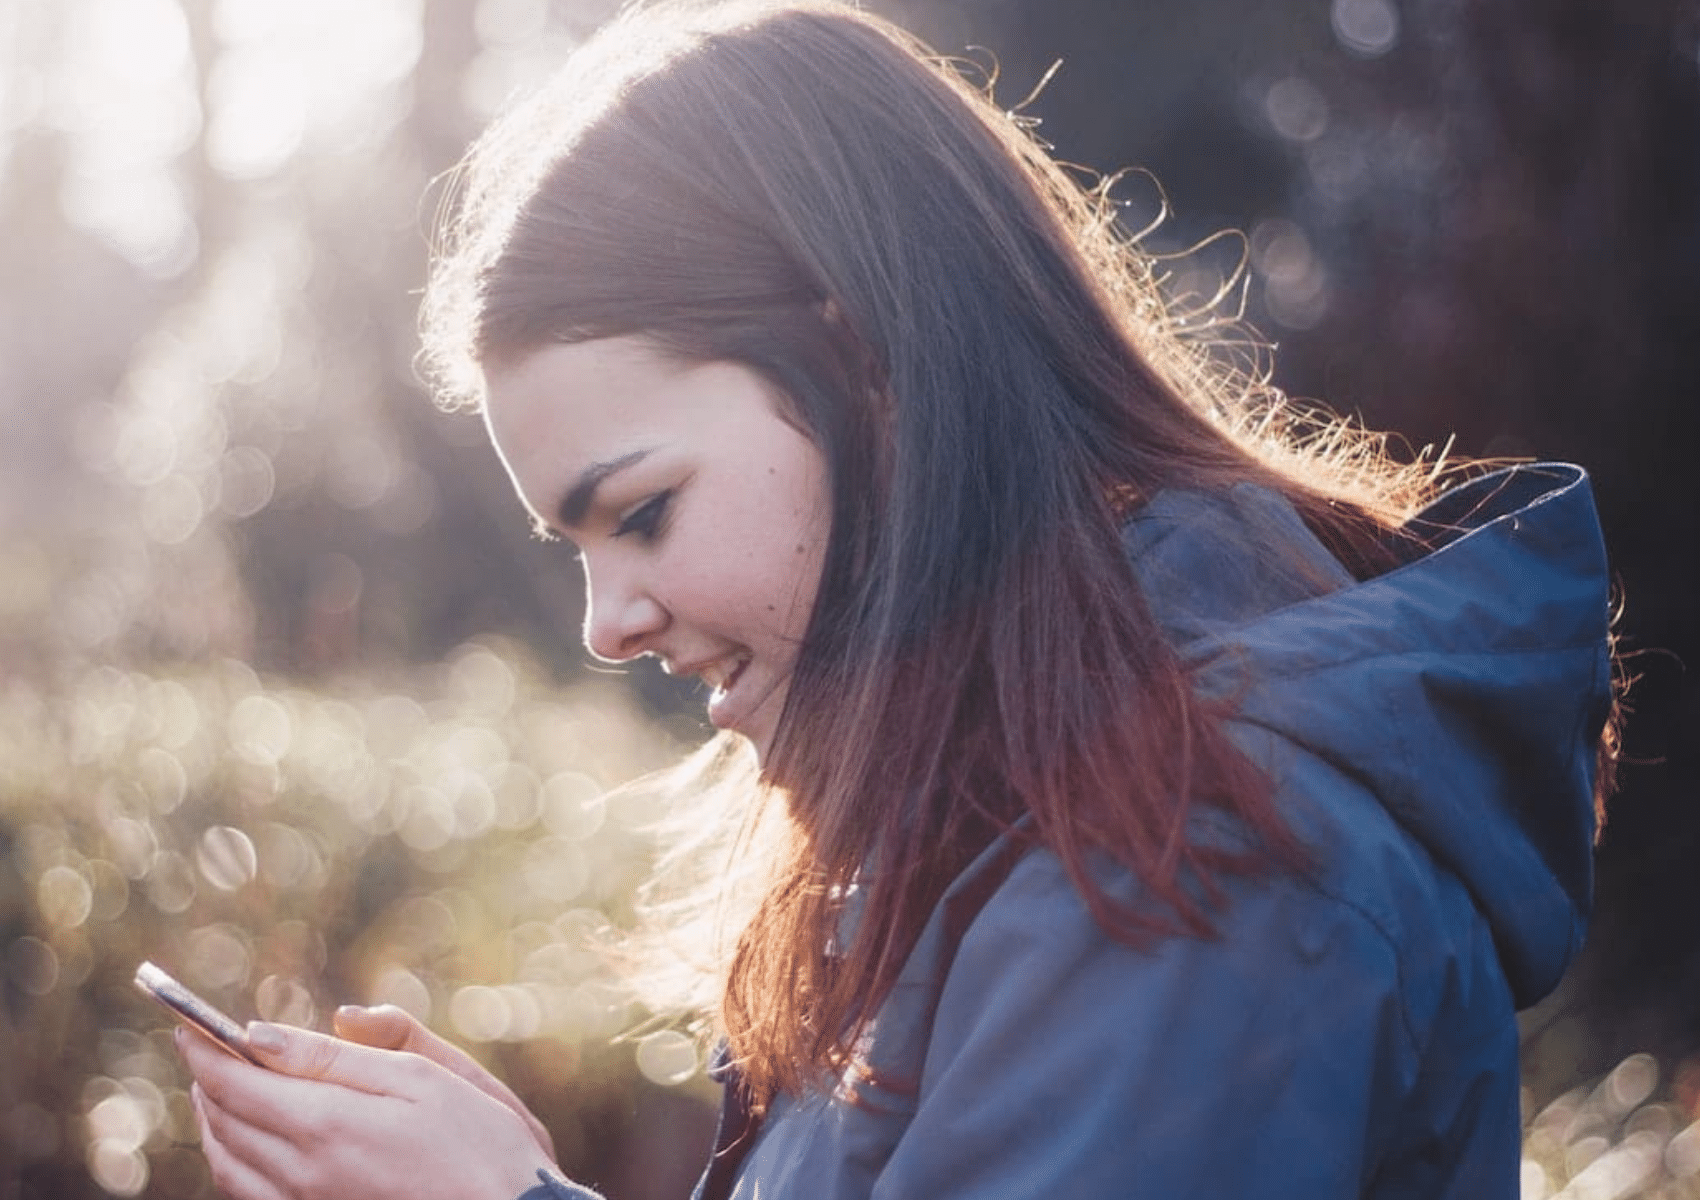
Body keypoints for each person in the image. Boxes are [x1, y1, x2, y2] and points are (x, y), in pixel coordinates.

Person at [176, 1, 1620, 1197]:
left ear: (868, 370)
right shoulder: (1012, 816)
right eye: (578, 548)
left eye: (642, 513)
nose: (606, 621)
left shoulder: (1198, 868)